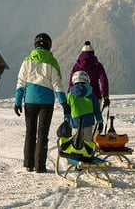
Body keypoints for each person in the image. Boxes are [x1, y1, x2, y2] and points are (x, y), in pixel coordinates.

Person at [14, 33, 69, 173]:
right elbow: (57, 85)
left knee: (30, 132)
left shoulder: (27, 61)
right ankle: (40, 166)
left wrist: (17, 102)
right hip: (46, 102)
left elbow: (20, 83)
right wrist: (63, 103)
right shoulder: (52, 62)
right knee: (42, 134)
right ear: (49, 45)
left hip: (30, 101)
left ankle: (28, 164)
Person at [68, 41, 110, 111]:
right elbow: (103, 80)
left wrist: (69, 94)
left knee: (81, 119)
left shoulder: (77, 66)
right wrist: (105, 95)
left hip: (79, 96)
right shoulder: (98, 65)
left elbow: (71, 82)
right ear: (93, 53)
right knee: (94, 119)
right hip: (95, 95)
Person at [65, 70, 104, 142]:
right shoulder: (91, 94)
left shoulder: (70, 95)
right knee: (87, 143)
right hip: (88, 122)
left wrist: (66, 120)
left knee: (75, 142)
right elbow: (96, 109)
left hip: (74, 122)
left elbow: (67, 109)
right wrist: (100, 121)